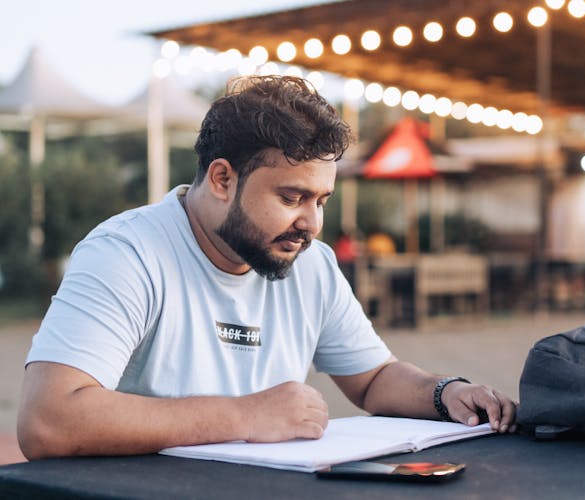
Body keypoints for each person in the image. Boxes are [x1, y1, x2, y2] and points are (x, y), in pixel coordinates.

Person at [17, 75, 516, 460]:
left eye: (321, 200)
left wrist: (445, 392)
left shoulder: (312, 265)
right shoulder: (126, 254)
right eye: (291, 196)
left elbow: (373, 378)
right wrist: (244, 415)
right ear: (221, 178)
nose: (312, 224)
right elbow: (48, 420)